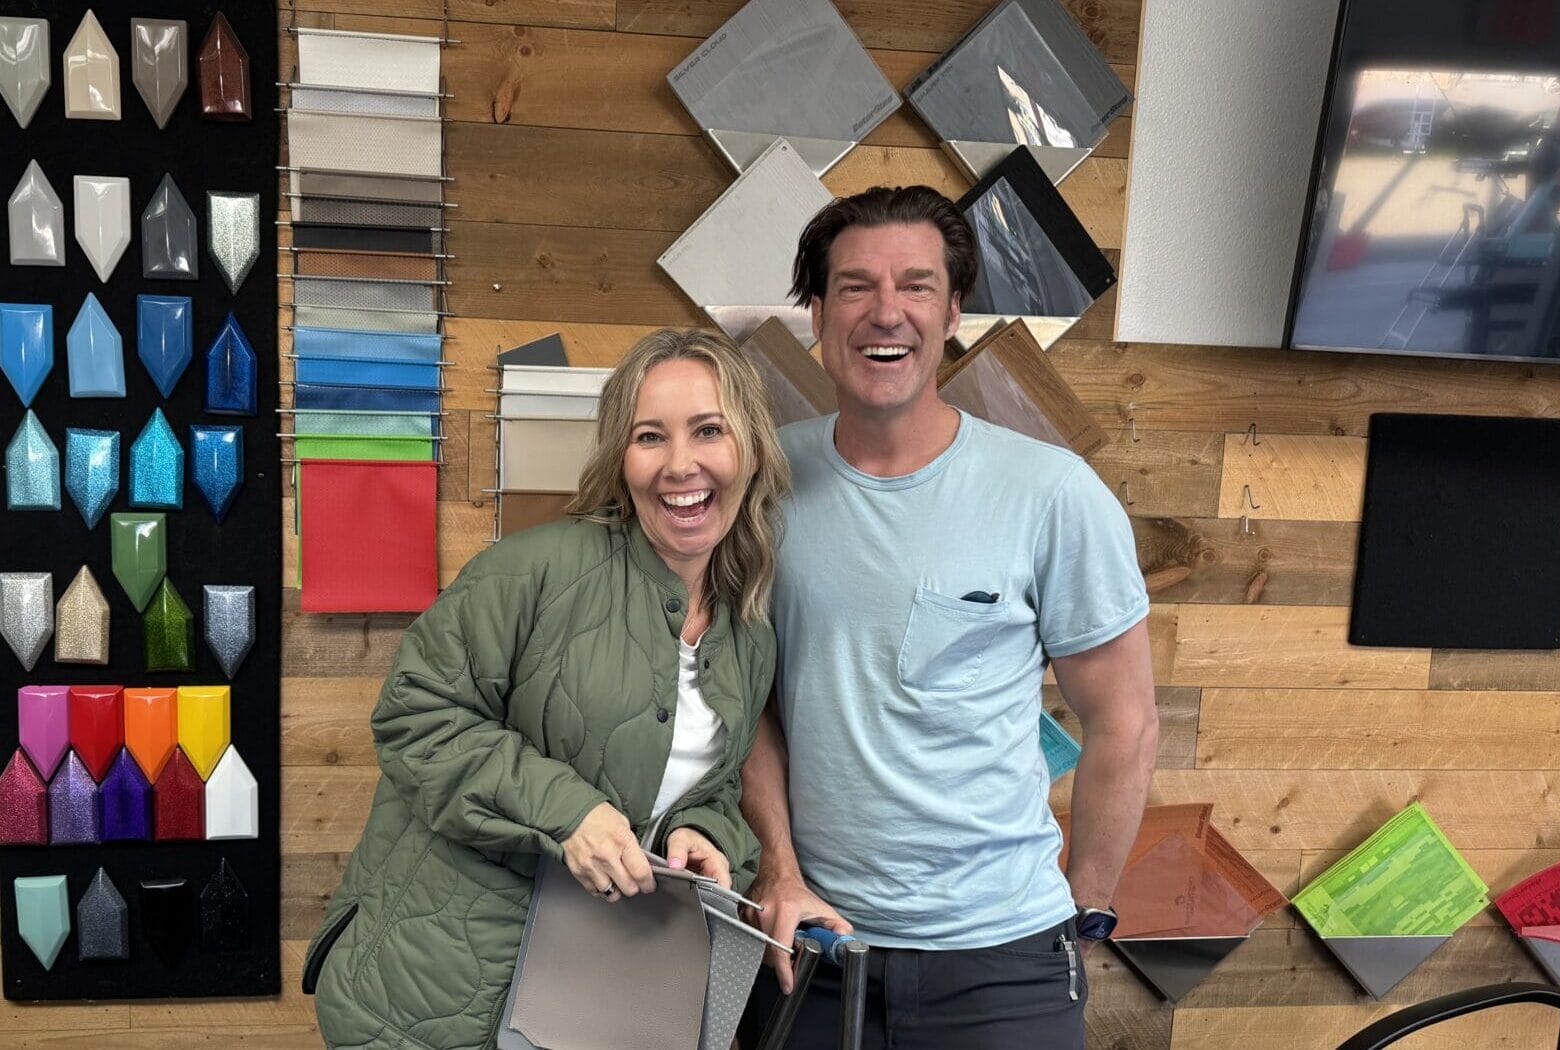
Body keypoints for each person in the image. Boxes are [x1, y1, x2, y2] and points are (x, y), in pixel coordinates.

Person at [741, 187, 1159, 1049]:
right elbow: (743, 703)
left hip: (1005, 961)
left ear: (955, 310)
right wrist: (778, 864)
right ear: (817, 312)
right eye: (854, 287)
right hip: (815, 946)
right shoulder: (763, 486)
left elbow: (1126, 720)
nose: (884, 312)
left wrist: (1080, 906)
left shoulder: (1051, 493)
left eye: (917, 286)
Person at [305, 328, 790, 1050]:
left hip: (593, 1001)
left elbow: (707, 786)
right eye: (650, 436)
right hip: (436, 991)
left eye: (709, 431)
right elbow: (417, 716)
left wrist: (705, 833)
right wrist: (569, 815)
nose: (680, 465)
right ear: (621, 459)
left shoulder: (750, 634)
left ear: (749, 448)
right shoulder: (535, 570)